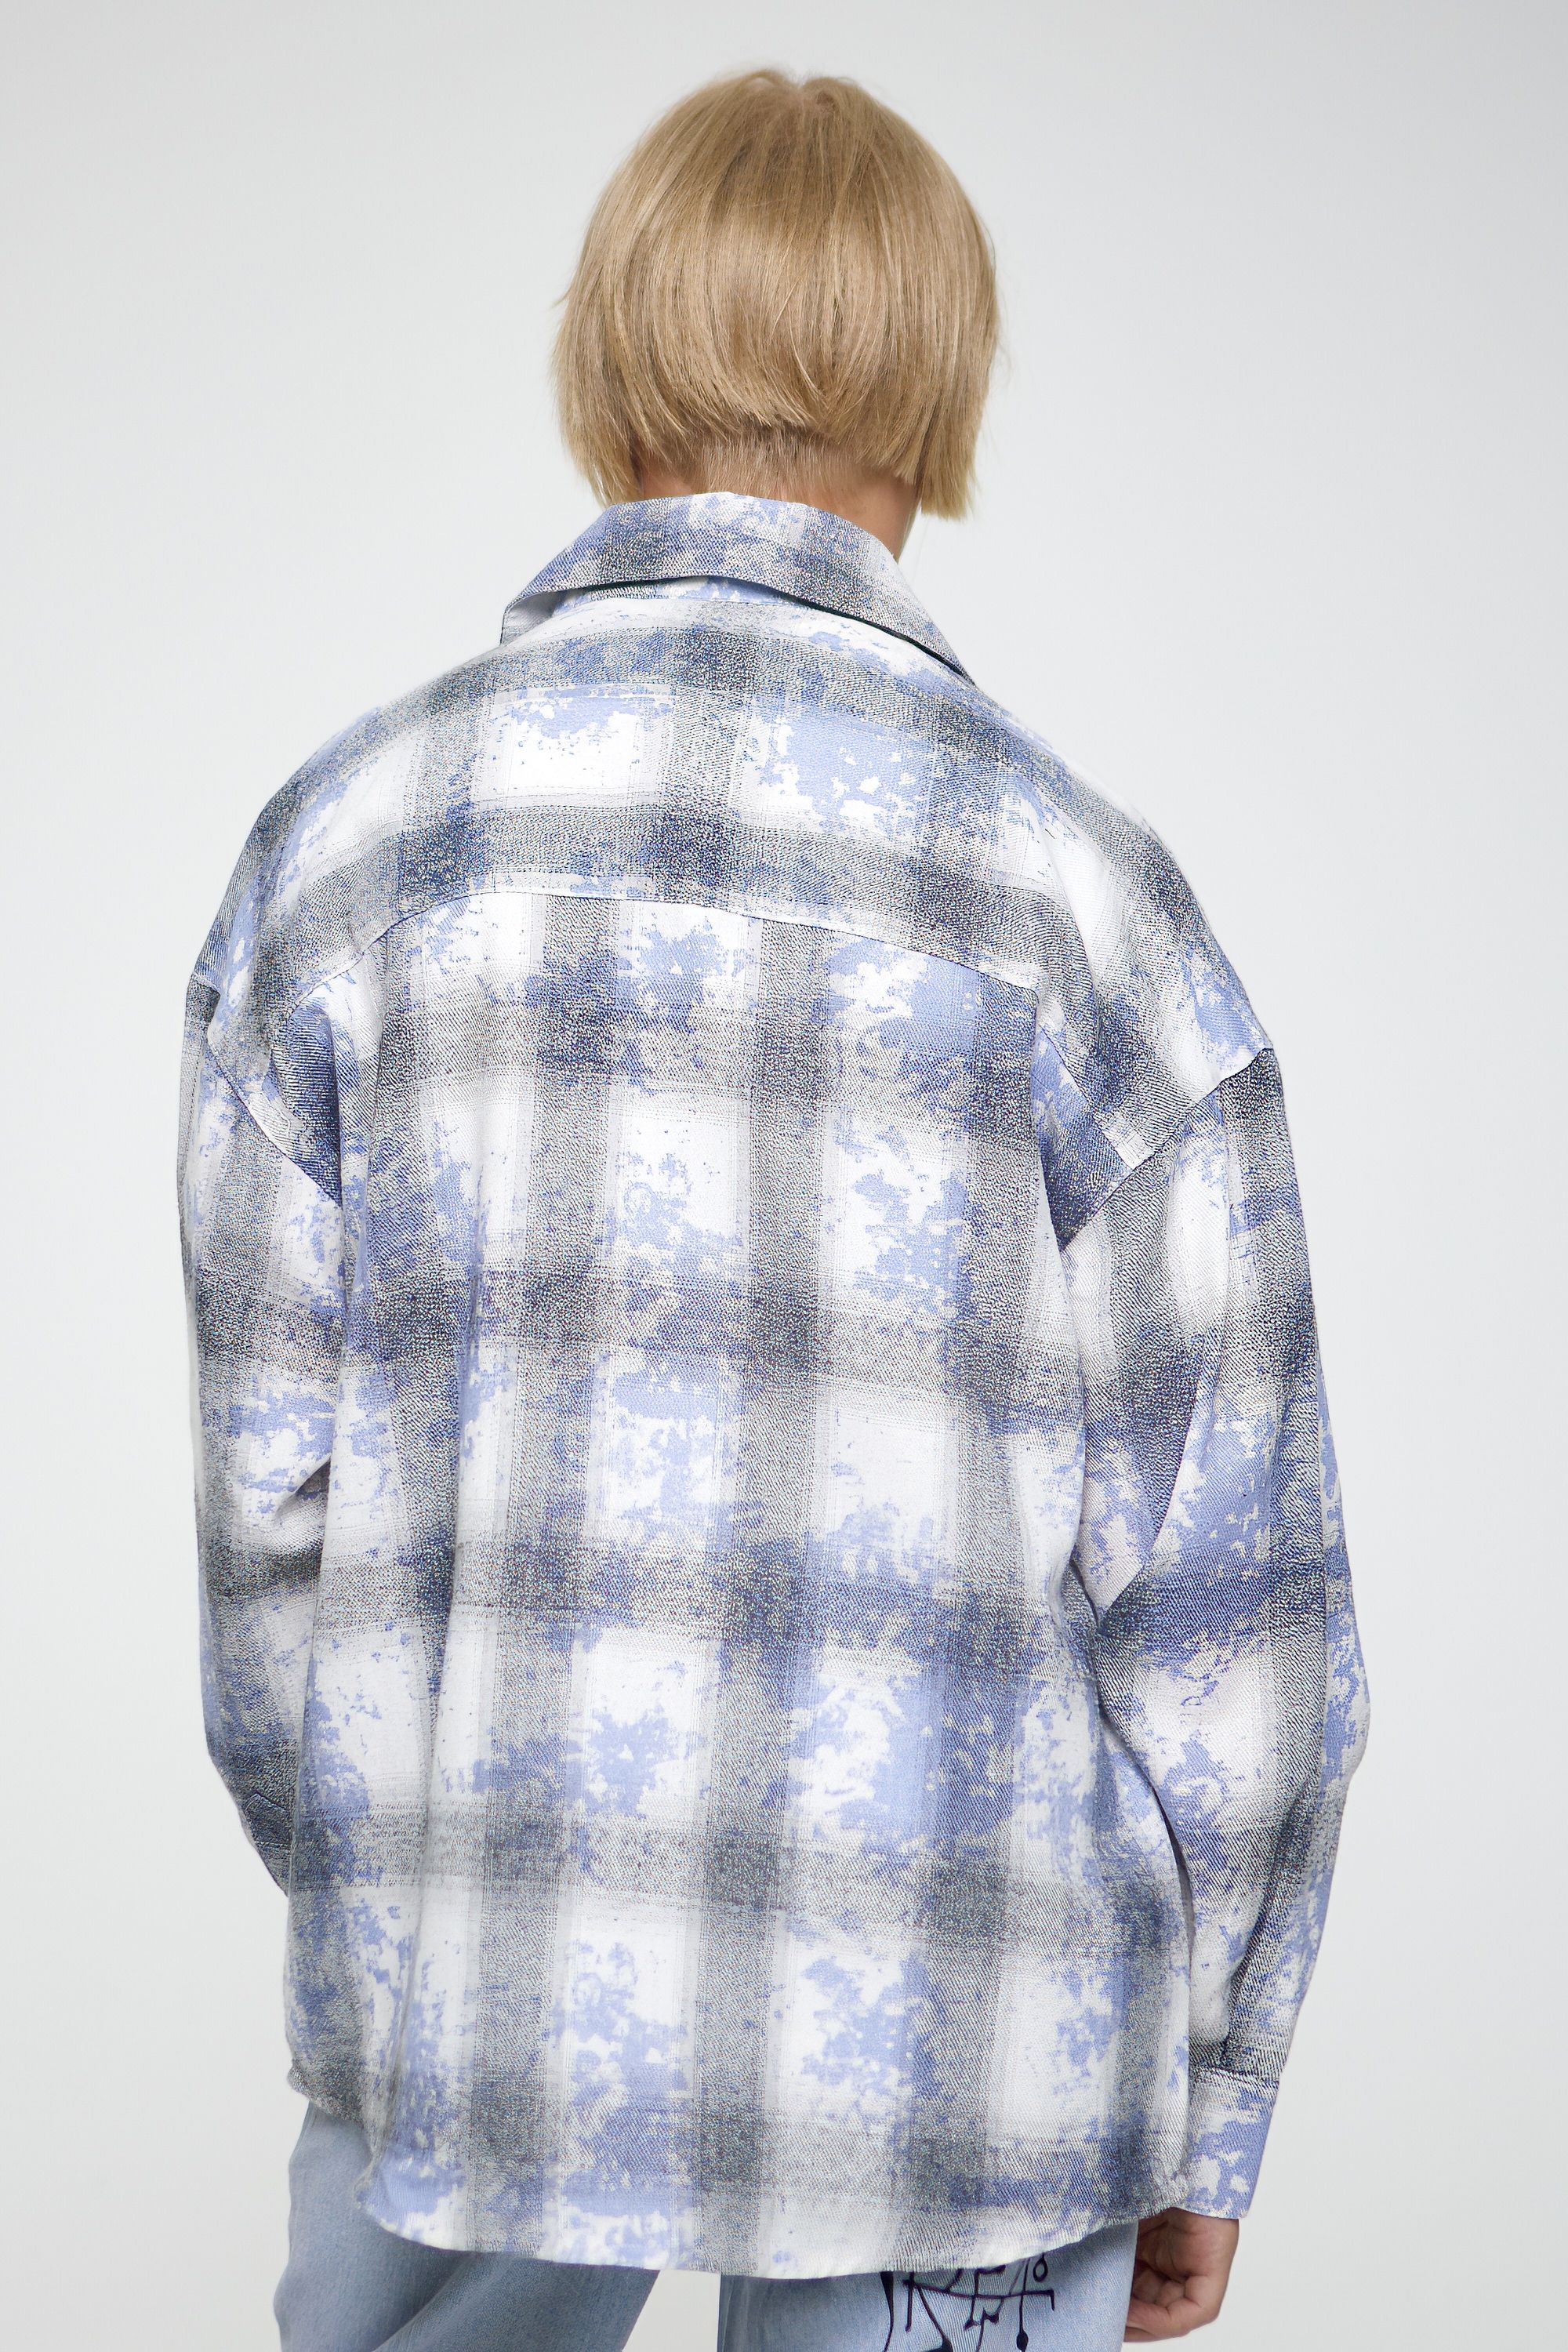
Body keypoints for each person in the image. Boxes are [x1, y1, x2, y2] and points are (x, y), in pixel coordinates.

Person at [180, 69, 1367, 2352]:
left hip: (474, 1990)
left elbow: (270, 1546)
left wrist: (398, 1924)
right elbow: (1238, 1612)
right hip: (978, 2045)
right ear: (936, 400)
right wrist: (1215, 2101)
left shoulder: (346, 856)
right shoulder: (1091, 906)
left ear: (606, 366)